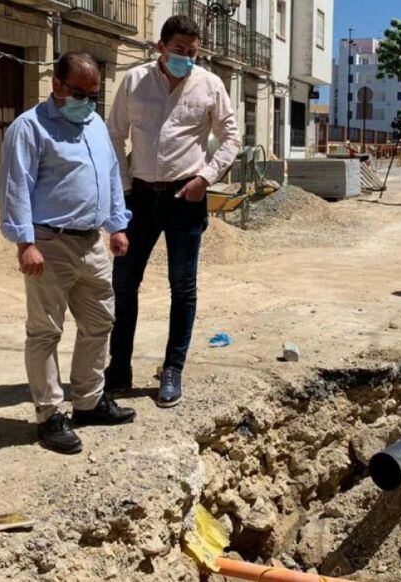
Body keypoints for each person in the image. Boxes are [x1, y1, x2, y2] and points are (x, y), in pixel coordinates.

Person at [0, 53, 137, 455]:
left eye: (95, 94)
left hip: (92, 242)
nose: (88, 102)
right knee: (45, 331)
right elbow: (15, 188)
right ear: (56, 84)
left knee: (99, 322)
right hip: (49, 243)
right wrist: (25, 243)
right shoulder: (29, 128)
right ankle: (49, 413)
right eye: (80, 93)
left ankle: (90, 400)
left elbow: (110, 175)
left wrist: (117, 224)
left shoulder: (94, 125)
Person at [106, 15, 240, 409]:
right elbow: (115, 134)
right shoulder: (134, 81)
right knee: (124, 284)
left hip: (187, 196)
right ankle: (119, 369)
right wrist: (124, 189)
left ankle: (172, 370)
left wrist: (207, 177)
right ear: (161, 46)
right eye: (179, 50)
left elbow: (231, 137)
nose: (186, 58)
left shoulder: (210, 85)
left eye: (193, 52)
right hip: (141, 197)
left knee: (182, 287)